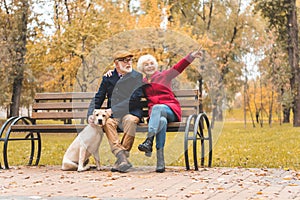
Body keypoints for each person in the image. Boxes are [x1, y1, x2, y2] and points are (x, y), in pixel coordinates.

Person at [136, 47, 203, 173]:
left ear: (155, 66)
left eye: (151, 64)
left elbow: (178, 67)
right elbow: (126, 81)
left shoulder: (164, 76)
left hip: (170, 110)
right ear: (142, 68)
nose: (149, 66)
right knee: (161, 121)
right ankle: (160, 161)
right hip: (156, 116)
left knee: (158, 108)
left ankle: (149, 140)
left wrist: (191, 56)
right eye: (146, 65)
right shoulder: (142, 83)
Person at [87, 50, 144, 173]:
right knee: (107, 123)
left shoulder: (137, 77)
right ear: (116, 64)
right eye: (125, 60)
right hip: (114, 116)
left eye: (130, 60)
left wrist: (112, 110)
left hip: (131, 112)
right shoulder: (108, 78)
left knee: (131, 120)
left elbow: (134, 99)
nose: (129, 63)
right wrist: (90, 114)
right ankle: (122, 158)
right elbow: (99, 97)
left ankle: (120, 159)